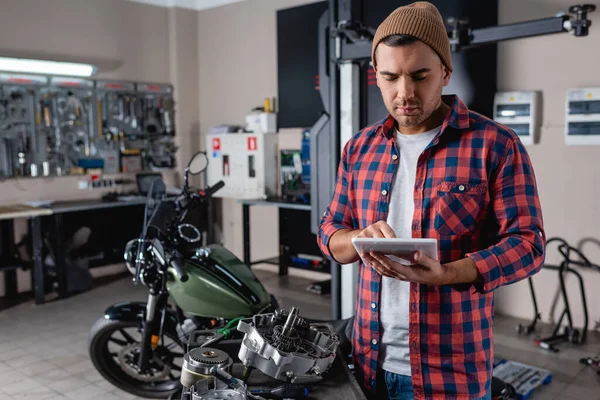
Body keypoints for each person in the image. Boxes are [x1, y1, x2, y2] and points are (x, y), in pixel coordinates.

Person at [316, 2, 545, 399]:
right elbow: (328, 231)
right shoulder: (359, 149)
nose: (404, 93)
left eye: (420, 76)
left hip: (449, 372)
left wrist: (448, 273)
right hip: (367, 362)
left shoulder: (495, 145)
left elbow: (528, 244)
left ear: (445, 72)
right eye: (390, 78)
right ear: (377, 76)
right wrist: (356, 238)